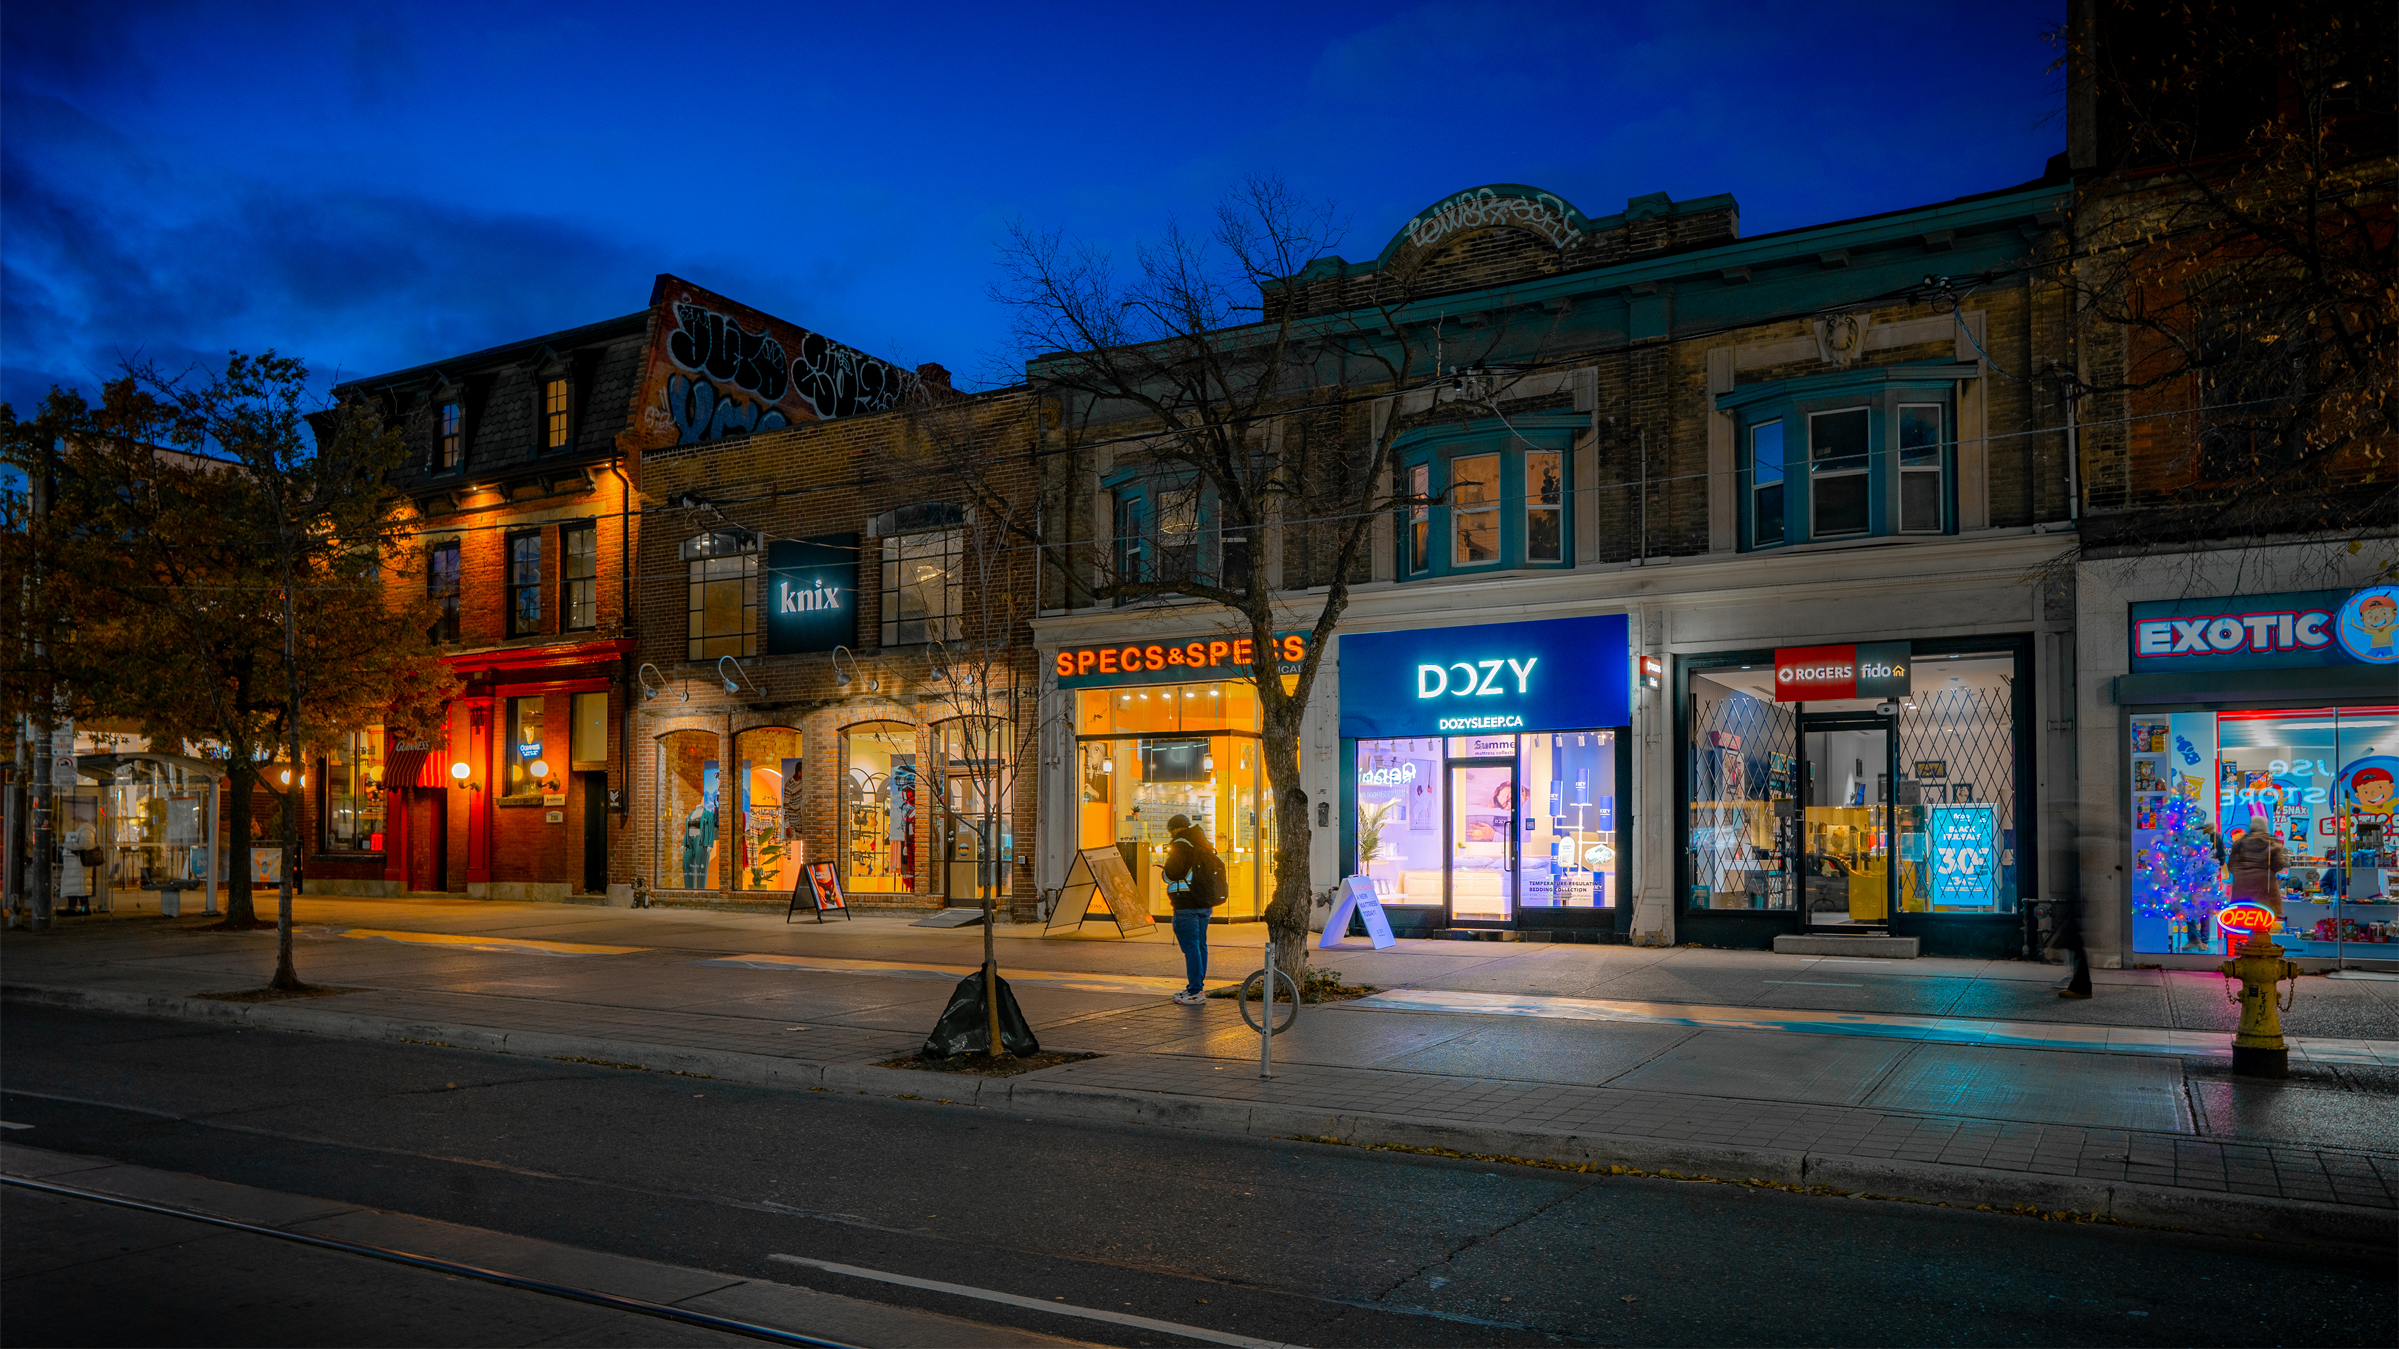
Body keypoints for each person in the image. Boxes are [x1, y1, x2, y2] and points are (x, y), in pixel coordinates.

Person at [1159, 813, 1225, 1005]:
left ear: (1175, 829)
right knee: (1200, 945)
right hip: (1204, 904)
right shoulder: (1202, 843)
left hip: (1186, 904)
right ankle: (1197, 988)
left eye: (1171, 830)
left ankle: (1195, 992)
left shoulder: (1180, 844)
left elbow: (1172, 873)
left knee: (1191, 948)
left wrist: (1164, 871)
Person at [2225, 806, 2290, 923]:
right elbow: (2279, 865)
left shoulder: (2239, 842)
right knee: (2265, 917)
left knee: (2244, 917)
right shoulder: (2272, 842)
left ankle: (2248, 940)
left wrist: (2242, 873)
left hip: (2242, 886)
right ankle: (2261, 940)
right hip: (2265, 887)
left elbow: (2231, 865)